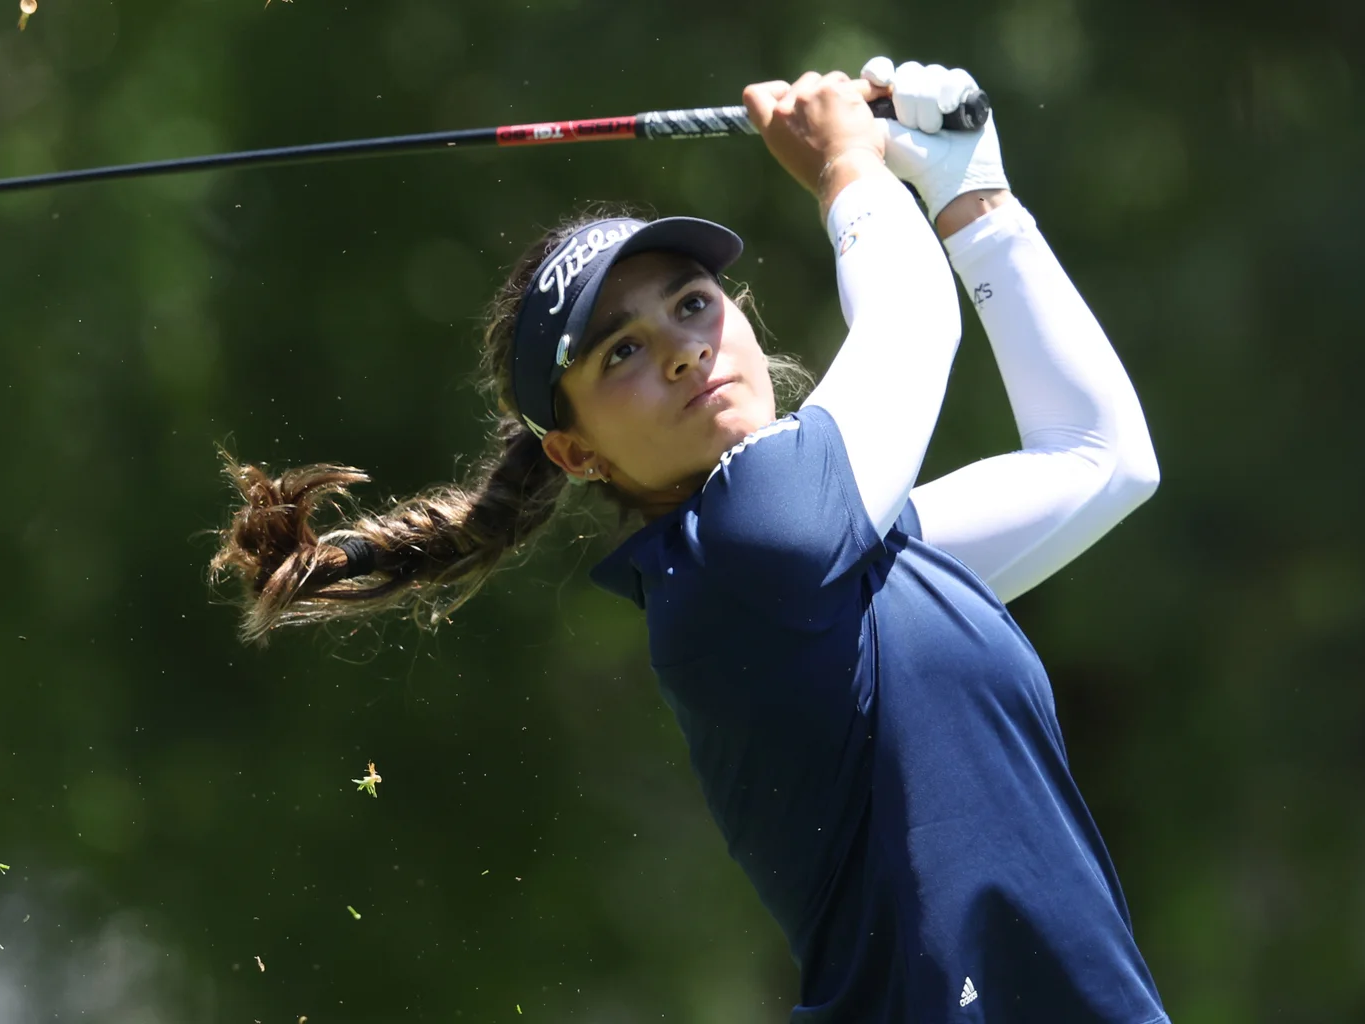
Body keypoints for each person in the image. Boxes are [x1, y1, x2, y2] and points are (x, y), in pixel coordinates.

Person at [212, 58, 1167, 1023]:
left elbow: (1102, 460)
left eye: (693, 301)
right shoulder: (749, 550)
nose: (680, 346)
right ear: (576, 452)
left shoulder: (841, 556)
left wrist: (980, 202)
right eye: (620, 351)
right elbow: (916, 319)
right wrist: (849, 168)